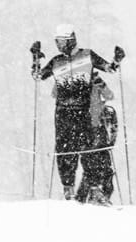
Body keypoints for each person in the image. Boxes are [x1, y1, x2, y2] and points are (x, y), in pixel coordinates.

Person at [31, 23, 121, 201]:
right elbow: (38, 76)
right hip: (63, 113)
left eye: (62, 42)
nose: (58, 45)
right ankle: (68, 190)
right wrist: (35, 58)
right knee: (65, 152)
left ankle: (95, 190)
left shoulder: (87, 55)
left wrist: (117, 60)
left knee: (89, 151)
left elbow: (109, 68)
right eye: (57, 42)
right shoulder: (57, 61)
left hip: (83, 111)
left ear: (71, 40)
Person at [75, 75, 118, 204]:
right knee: (90, 167)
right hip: (84, 128)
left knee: (105, 167)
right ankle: (88, 197)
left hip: (99, 127)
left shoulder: (95, 81)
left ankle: (97, 196)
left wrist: (102, 85)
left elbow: (110, 96)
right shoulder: (77, 81)